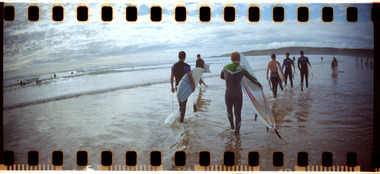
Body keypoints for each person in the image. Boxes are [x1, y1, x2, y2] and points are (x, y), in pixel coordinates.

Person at [221, 52, 262, 135]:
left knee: (229, 110)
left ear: (231, 59)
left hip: (228, 93)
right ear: (239, 59)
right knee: (237, 113)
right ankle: (237, 132)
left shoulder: (225, 67)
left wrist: (229, 79)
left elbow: (221, 76)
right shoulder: (242, 69)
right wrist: (259, 85)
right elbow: (252, 79)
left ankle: (232, 126)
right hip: (237, 93)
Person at [170, 51, 195, 123]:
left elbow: (171, 78)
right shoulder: (186, 66)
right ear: (185, 57)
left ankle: (180, 118)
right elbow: (191, 77)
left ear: (178, 57)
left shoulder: (173, 66)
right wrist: (193, 86)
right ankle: (182, 120)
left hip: (177, 86)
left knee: (180, 103)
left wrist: (172, 87)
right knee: (183, 104)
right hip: (184, 87)